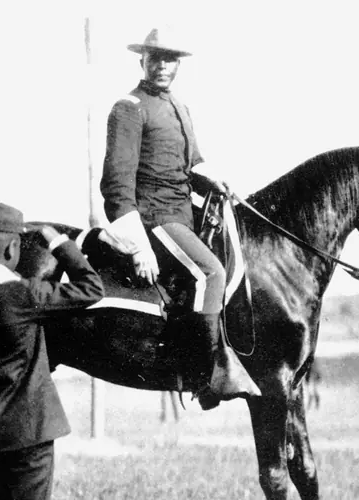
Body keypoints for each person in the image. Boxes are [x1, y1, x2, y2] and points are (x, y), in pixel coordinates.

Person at [99, 27, 260, 409]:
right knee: (212, 273)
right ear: (142, 60)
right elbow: (116, 186)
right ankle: (207, 375)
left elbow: (193, 164)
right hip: (154, 218)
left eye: (170, 58)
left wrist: (212, 179)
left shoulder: (180, 107)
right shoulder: (129, 108)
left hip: (184, 215)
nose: (163, 65)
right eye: (156, 57)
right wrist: (138, 246)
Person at [0, 201, 104, 500]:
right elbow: (91, 287)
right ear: (12, 249)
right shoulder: (25, 295)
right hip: (30, 437)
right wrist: (59, 242)